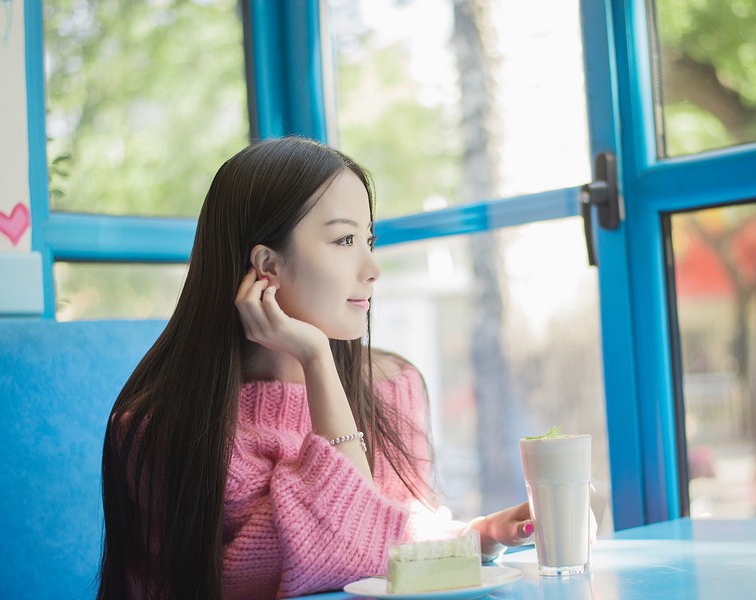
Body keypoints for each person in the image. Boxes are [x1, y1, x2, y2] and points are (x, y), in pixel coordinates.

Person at [97, 137, 532, 600]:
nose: (372, 268)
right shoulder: (161, 429)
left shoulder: (391, 386)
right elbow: (344, 551)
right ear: (267, 266)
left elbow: (393, 541)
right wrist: (317, 359)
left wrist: (478, 536)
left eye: (369, 240)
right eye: (345, 240)